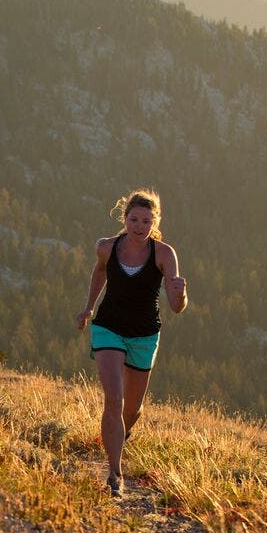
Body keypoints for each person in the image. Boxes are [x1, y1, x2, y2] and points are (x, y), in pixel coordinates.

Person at [75, 189, 187, 497]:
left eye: (146, 221)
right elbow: (99, 272)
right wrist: (88, 307)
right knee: (114, 399)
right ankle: (115, 474)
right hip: (108, 327)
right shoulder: (107, 248)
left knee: (132, 411)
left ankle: (118, 437)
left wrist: (180, 293)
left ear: (155, 222)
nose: (139, 226)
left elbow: (177, 306)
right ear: (124, 219)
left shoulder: (164, 254)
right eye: (134, 219)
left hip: (145, 334)